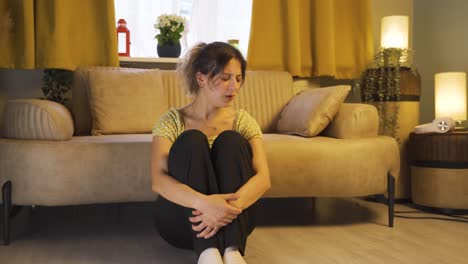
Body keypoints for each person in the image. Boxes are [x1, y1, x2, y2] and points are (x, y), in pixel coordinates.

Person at [151, 41, 271, 264]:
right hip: (181, 224)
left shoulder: (243, 121)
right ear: (201, 79)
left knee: (232, 141)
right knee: (191, 140)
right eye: (225, 78)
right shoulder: (171, 121)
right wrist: (205, 204)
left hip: (232, 222)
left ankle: (232, 252)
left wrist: (223, 209)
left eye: (238, 79)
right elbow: (158, 181)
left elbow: (263, 179)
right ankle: (207, 254)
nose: (233, 87)